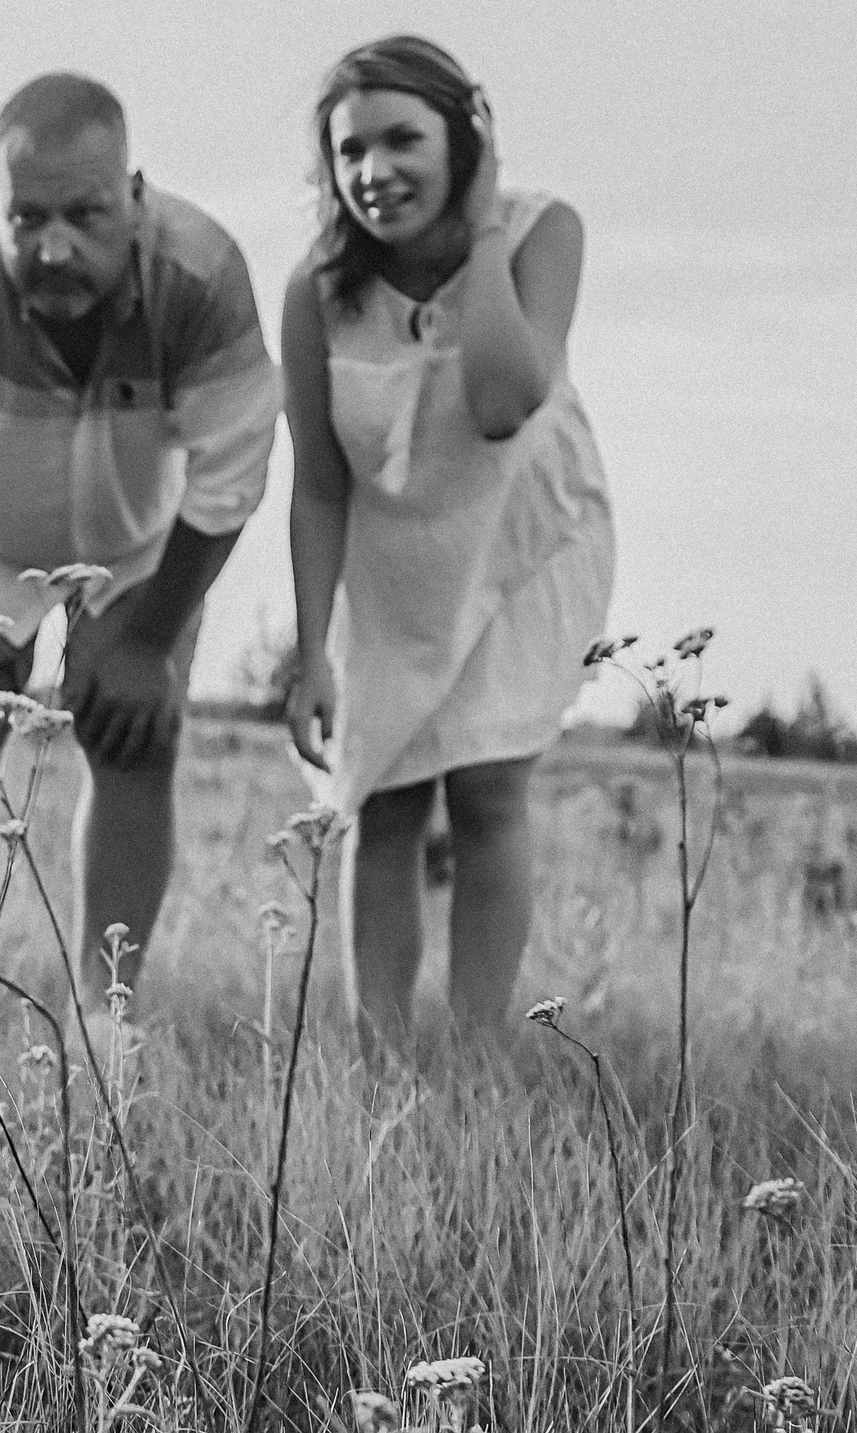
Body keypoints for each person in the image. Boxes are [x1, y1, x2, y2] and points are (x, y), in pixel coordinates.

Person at [0, 72, 281, 1054]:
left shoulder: (201, 275)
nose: (52, 246)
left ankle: (102, 1016)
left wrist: (150, 642)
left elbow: (229, 476)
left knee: (133, 736)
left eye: (83, 214)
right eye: (25, 215)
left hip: (139, 545)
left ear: (133, 193)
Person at [281, 36, 615, 1043]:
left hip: (518, 548)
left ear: (463, 138)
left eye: (402, 140)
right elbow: (317, 482)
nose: (374, 172)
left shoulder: (541, 231)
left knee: (485, 792)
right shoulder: (317, 290)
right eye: (350, 153)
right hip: (390, 569)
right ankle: (379, 1063)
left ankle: (476, 1062)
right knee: (380, 804)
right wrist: (308, 653)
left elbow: (505, 400)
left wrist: (479, 241)